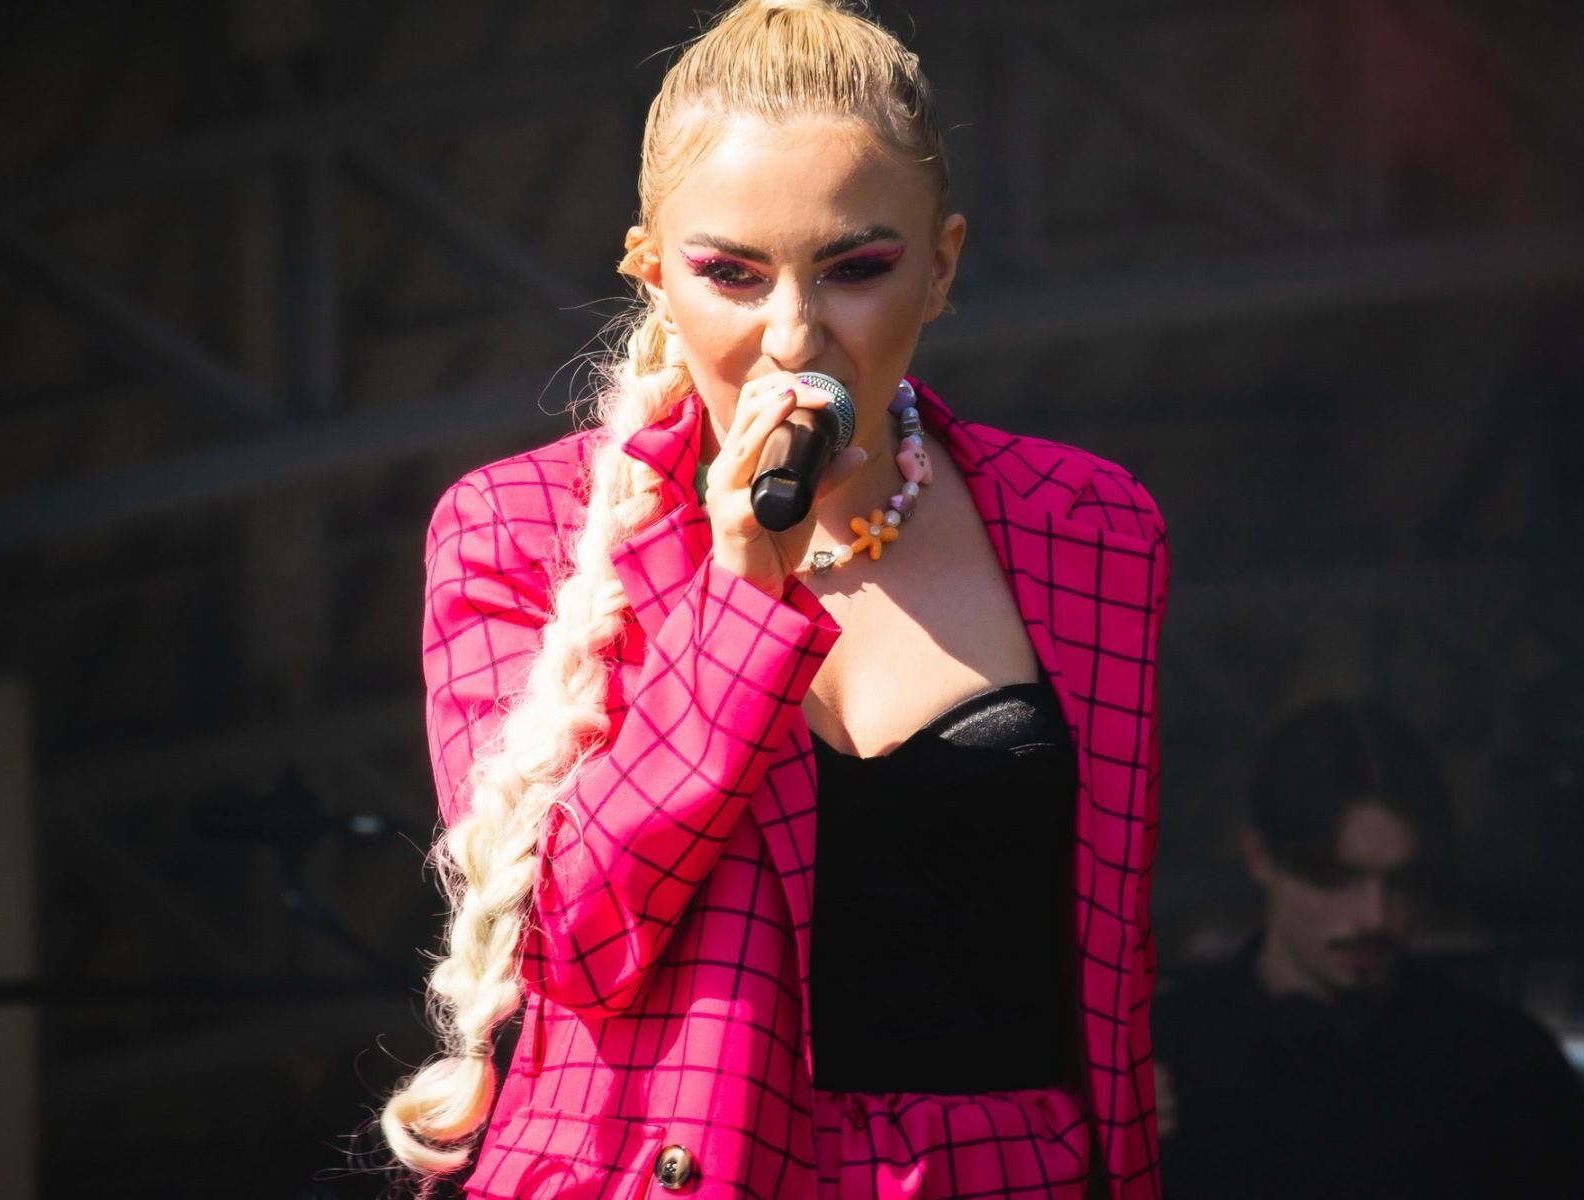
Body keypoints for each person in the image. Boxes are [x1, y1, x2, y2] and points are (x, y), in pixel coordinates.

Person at [381, 2, 1171, 1196]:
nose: (794, 335)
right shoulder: (516, 531)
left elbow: (1110, 976)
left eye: (857, 269)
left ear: (942, 265)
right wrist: (745, 581)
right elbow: (576, 941)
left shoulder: (1092, 526)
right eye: (731, 275)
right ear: (653, 272)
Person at [1153, 699, 1584, 1200]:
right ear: (1260, 858)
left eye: (1401, 882)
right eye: (1335, 878)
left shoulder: (1508, 1067)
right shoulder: (1164, 1056)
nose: (1374, 916)